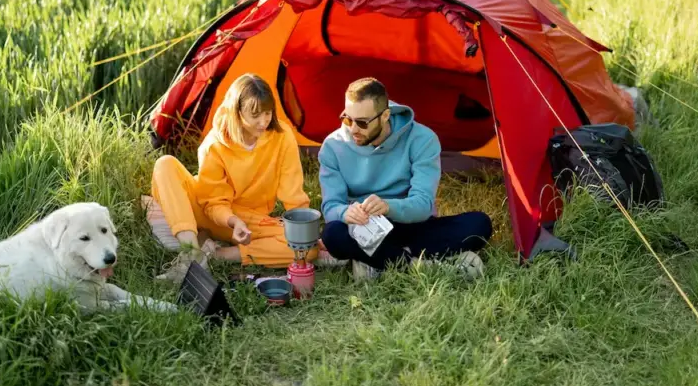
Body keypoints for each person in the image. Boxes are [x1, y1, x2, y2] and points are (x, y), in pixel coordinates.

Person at [319, 77, 493, 279]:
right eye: (347, 119)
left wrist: (387, 207)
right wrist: (346, 213)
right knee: (333, 234)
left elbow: (422, 204)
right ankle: (422, 265)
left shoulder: (422, 139)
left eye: (362, 122)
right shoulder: (332, 146)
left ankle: (376, 262)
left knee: (479, 224)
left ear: (385, 116)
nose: (353, 129)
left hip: (412, 225)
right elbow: (331, 206)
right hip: (365, 229)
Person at [150, 73, 316, 283]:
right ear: (237, 112)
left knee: (307, 247)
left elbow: (293, 195)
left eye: (267, 112)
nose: (264, 121)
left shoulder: (282, 137)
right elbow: (213, 201)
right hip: (208, 211)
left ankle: (215, 255)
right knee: (165, 164)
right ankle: (190, 252)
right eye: (255, 115)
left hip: (249, 221)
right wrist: (231, 220)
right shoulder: (215, 144)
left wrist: (302, 227)